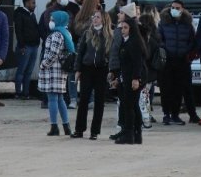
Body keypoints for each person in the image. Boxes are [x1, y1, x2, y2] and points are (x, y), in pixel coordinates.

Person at [72, 9, 113, 140]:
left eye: (97, 17)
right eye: (94, 17)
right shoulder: (87, 33)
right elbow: (80, 52)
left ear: (104, 20)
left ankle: (95, 131)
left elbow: (112, 55)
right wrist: (77, 69)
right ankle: (79, 129)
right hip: (87, 69)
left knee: (99, 101)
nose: (94, 19)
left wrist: (111, 71)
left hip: (102, 70)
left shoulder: (110, 36)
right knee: (83, 99)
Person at [159, 0, 198, 125]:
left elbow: (192, 41)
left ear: (182, 9)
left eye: (177, 8)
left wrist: (185, 51)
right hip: (167, 60)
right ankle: (166, 114)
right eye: (173, 7)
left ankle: (175, 114)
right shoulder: (163, 22)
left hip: (182, 60)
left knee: (178, 89)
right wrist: (166, 50)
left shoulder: (187, 24)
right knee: (166, 89)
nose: (174, 10)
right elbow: (159, 39)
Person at [39, 11, 73, 136]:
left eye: (53, 19)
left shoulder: (57, 34)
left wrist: (44, 64)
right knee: (60, 99)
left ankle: (54, 126)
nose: (51, 21)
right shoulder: (65, 32)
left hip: (53, 70)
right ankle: (66, 126)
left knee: (52, 98)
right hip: (60, 70)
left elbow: (53, 53)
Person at [115, 17, 146, 144]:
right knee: (133, 106)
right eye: (121, 27)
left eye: (125, 27)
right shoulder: (126, 41)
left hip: (134, 78)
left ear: (132, 29)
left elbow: (137, 62)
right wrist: (118, 77)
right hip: (127, 77)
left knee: (129, 106)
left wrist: (136, 79)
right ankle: (137, 134)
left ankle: (129, 134)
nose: (123, 30)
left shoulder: (134, 42)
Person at [14, 0, 40, 99]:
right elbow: (18, 31)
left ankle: (26, 93)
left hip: (34, 46)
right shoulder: (20, 14)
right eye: (33, 3)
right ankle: (18, 93)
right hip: (25, 47)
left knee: (29, 71)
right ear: (27, 3)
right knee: (21, 70)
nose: (34, 5)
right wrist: (22, 45)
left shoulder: (32, 15)